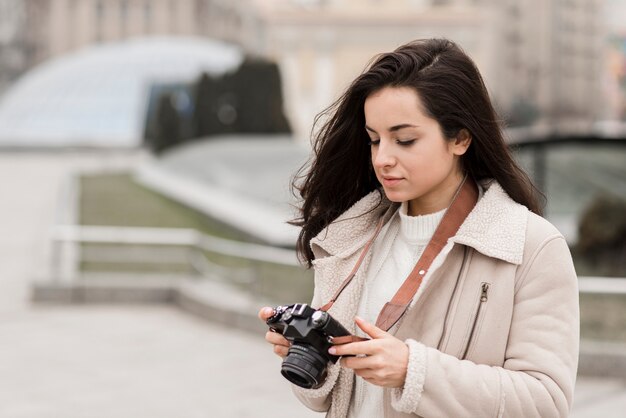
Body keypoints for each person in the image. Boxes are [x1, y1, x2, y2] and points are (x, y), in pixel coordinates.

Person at [258, 38, 579, 418]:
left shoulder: (531, 246)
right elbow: (331, 400)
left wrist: (414, 371)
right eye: (374, 139)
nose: (382, 158)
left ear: (460, 137)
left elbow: (546, 403)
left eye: (404, 140)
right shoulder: (349, 236)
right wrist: (312, 356)